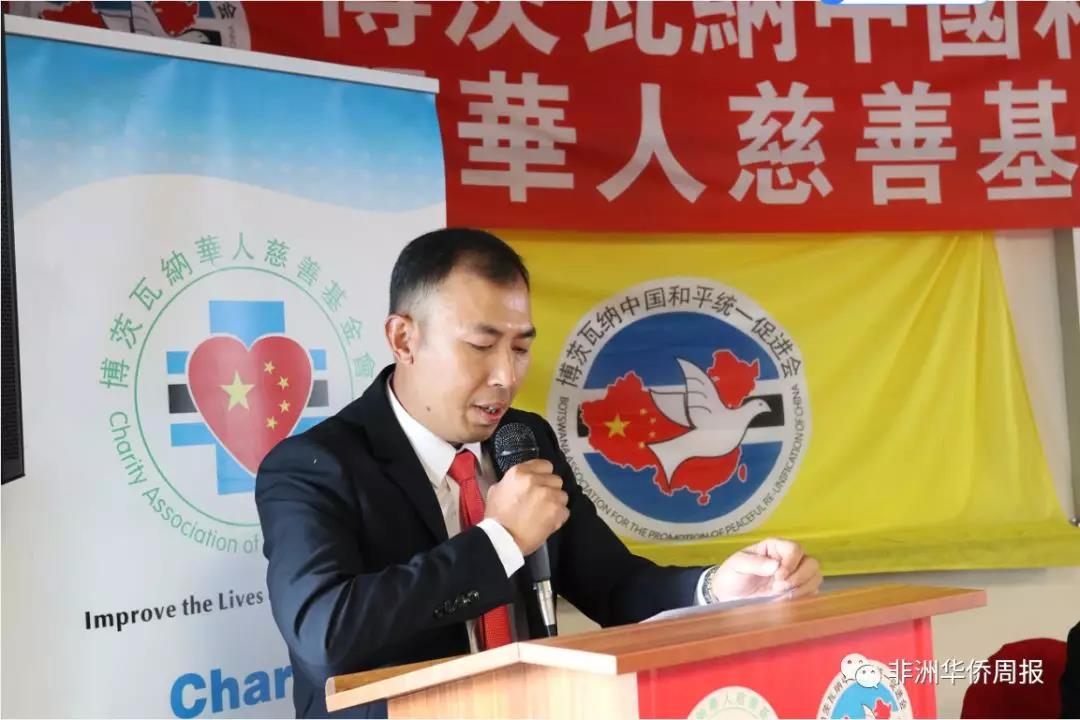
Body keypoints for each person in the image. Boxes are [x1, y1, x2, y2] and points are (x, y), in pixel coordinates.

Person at [255, 228, 823, 718]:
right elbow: (324, 637)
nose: (506, 376)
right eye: (482, 345)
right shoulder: (314, 468)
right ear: (404, 339)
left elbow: (613, 585)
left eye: (521, 348)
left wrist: (717, 589)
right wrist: (500, 540)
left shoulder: (521, 440)